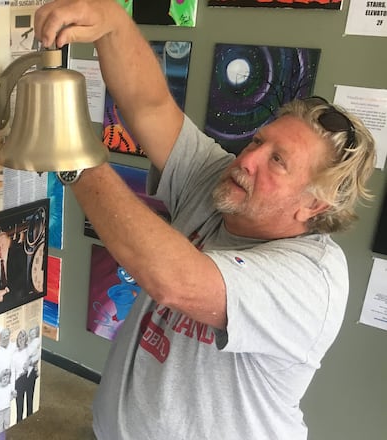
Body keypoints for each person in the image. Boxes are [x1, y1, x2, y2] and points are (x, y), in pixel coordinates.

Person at [34, 1, 376, 439]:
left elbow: (173, 278)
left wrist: (71, 155)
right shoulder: (222, 186)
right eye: (257, 140)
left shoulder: (313, 281)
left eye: (277, 161)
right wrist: (112, 23)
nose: (246, 159)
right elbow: (152, 105)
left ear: (315, 207)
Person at [0, 232, 29, 306]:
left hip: (14, 292)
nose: (0, 250)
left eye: (2, 245)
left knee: (18, 295)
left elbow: (22, 277)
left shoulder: (17, 256)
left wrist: (5, 290)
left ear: (8, 244)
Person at [11, 329, 31, 423]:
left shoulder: (29, 349)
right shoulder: (14, 354)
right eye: (19, 337)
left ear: (26, 338)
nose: (21, 339)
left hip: (29, 377)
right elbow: (13, 371)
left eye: (23, 337)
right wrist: (13, 388)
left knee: (30, 402)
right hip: (19, 380)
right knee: (19, 406)